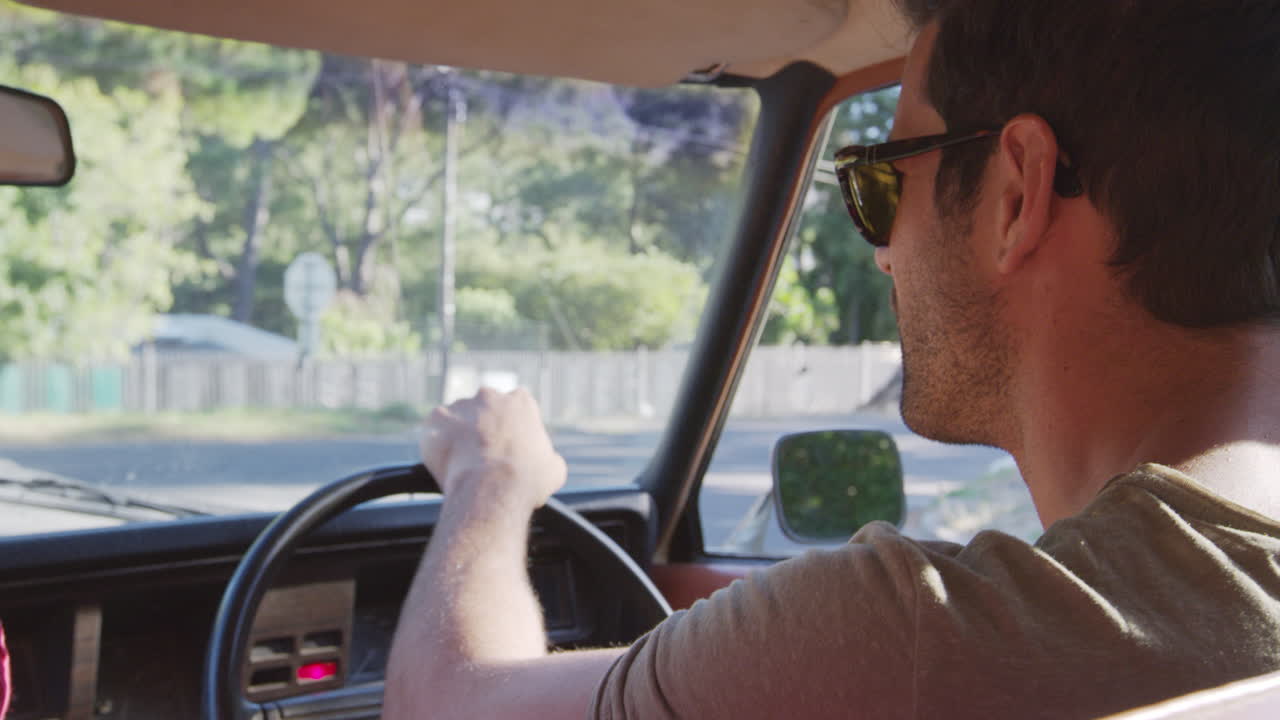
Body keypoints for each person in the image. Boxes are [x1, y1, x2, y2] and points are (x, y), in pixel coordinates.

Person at [383, 1, 1280, 718]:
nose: (881, 253)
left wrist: (489, 480)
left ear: (1014, 195)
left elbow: (443, 702)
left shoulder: (918, 635)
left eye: (882, 181)